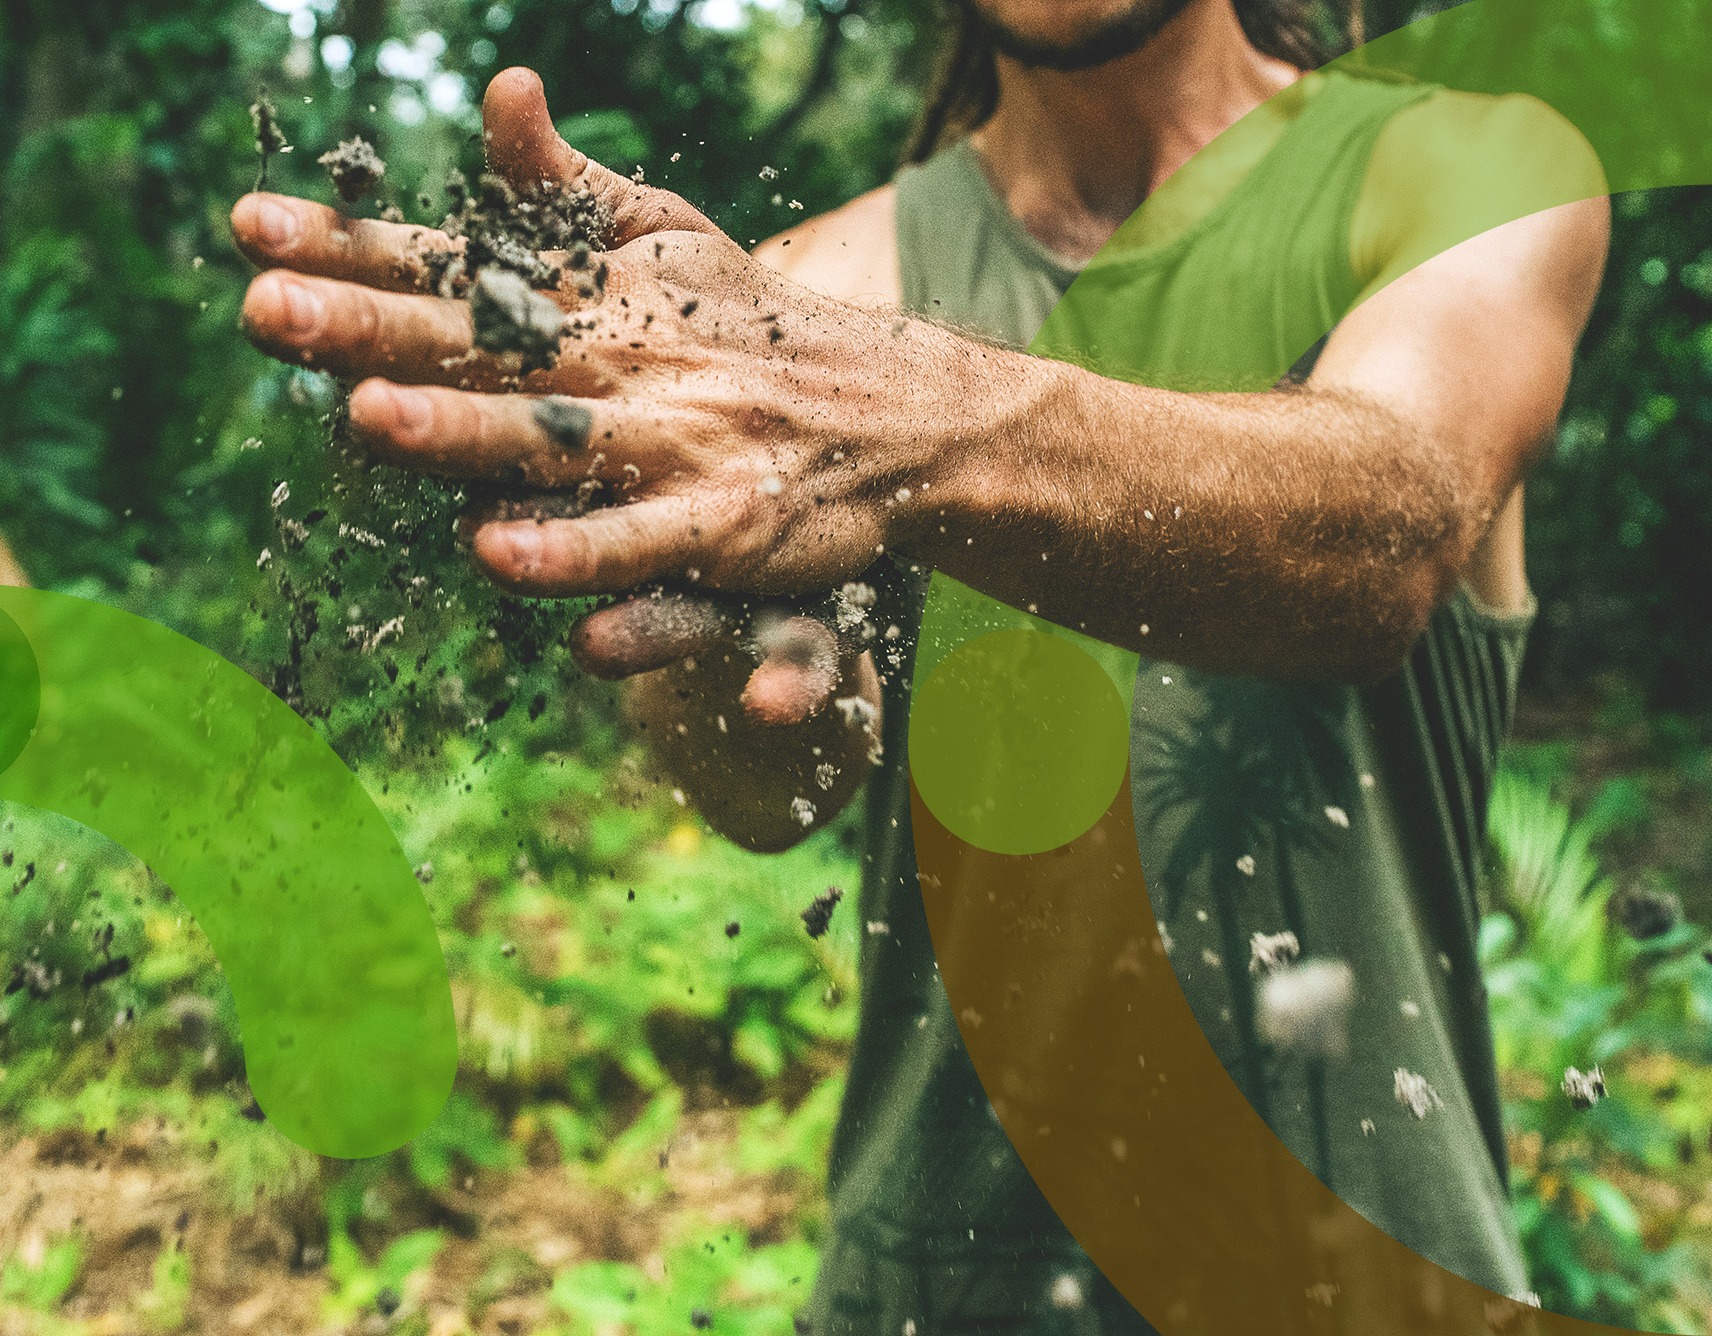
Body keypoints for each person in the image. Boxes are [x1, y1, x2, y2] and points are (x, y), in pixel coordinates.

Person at [229, 0, 1608, 1326]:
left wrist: (901, 421)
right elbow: (762, 795)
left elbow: (1384, 536)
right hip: (939, 1288)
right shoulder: (814, 290)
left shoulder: (1466, 167)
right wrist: (759, 674)